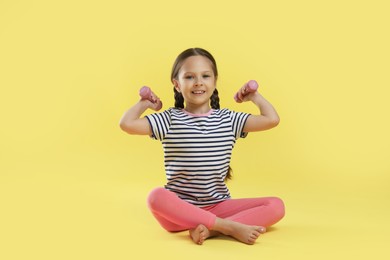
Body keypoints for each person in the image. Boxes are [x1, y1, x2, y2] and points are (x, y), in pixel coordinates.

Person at [119, 48, 285, 245]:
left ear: (214, 82)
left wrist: (254, 97)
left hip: (218, 205)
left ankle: (208, 230)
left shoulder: (228, 119)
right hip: (179, 211)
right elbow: (126, 124)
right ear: (177, 85)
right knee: (155, 197)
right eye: (189, 77)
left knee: (276, 206)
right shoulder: (170, 119)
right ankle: (228, 227)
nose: (198, 82)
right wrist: (144, 103)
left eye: (205, 76)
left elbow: (272, 119)